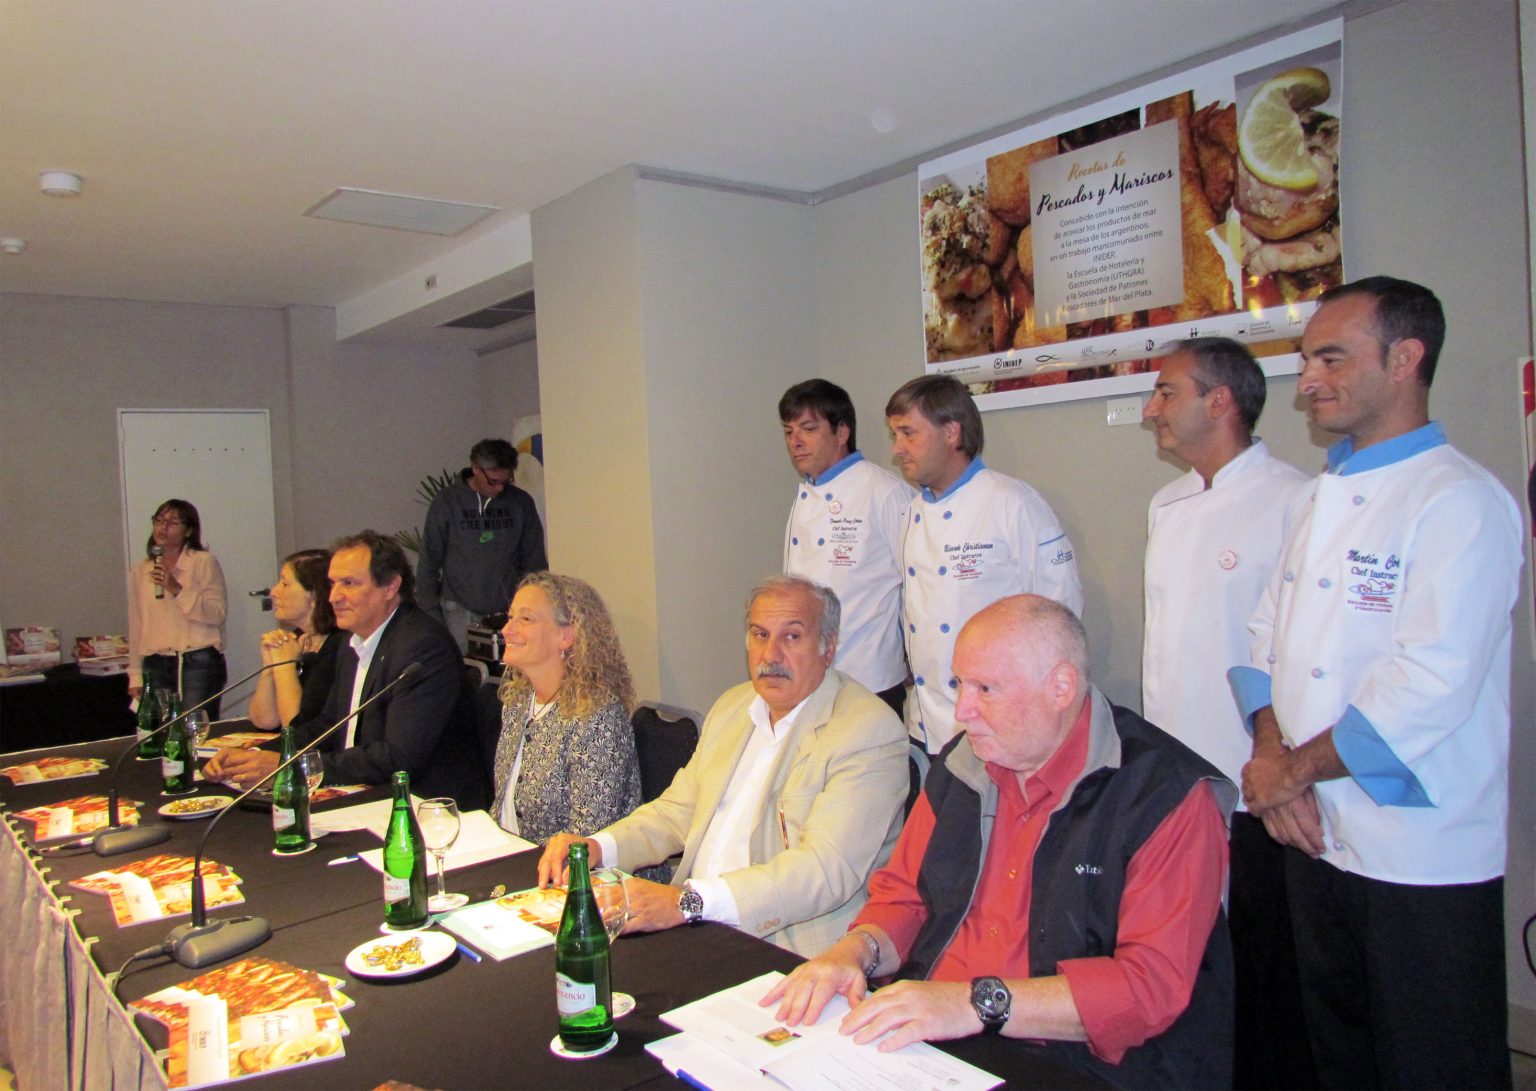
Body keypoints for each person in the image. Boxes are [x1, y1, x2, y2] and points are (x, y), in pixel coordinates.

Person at [1230, 277, 1521, 1090]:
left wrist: (1289, 772)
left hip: (1416, 850)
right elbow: (1264, 641)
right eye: (1305, 360)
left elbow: (1430, 683)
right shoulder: (1317, 497)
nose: (1307, 381)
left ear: (1405, 358)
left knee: (1434, 1064)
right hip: (1314, 832)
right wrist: (1271, 760)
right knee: (1339, 1056)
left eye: (1330, 358)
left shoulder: (1460, 500)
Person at [765, 596, 1234, 1090]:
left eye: (985, 689)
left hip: (1075, 1061)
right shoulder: (963, 764)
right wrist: (854, 952)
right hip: (936, 1038)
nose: (963, 711)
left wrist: (972, 1003)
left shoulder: (1165, 797)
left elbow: (1146, 990)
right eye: (958, 684)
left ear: (1061, 687)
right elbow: (905, 897)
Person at [537, 576, 908, 957]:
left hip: (785, 948)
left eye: (792, 636)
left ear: (828, 647)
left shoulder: (867, 731)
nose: (771, 655)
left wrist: (687, 902)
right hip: (695, 926)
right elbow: (677, 811)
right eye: (760, 635)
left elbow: (823, 871)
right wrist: (597, 847)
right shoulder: (733, 706)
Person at [1140, 338, 1312, 1088]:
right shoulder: (1166, 504)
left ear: (1221, 402)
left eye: (1166, 393)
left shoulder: (1294, 499)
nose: (1151, 410)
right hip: (1175, 777)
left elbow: (1294, 651)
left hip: (1253, 783)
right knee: (1186, 954)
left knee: (1263, 966)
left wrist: (1286, 769)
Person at [208, 530, 486, 808]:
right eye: (333, 583)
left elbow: (398, 758)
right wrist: (254, 755)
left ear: (391, 586)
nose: (333, 597)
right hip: (366, 789)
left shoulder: (422, 645)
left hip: (423, 803)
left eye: (349, 583)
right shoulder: (352, 640)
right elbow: (329, 725)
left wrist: (290, 767)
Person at [886, 374, 1082, 758]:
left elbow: (1063, 612)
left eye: (908, 433)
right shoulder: (911, 514)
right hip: (928, 721)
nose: (897, 449)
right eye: (895, 435)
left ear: (951, 432)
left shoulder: (1012, 502)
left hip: (1001, 722)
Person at [779, 379, 913, 716]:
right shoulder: (805, 496)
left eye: (808, 429)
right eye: (789, 431)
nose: (796, 441)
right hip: (810, 677)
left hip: (870, 679)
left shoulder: (885, 492)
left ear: (842, 432)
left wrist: (913, 658)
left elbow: (918, 585)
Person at [493, 571, 643, 843]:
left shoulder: (597, 718)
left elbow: (586, 840)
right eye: (510, 616)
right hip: (514, 856)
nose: (507, 630)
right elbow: (502, 811)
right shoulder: (518, 702)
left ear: (567, 636)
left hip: (575, 868)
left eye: (525, 619)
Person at [417, 438, 548, 654]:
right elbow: (429, 561)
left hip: (510, 610)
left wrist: (532, 608)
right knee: (463, 669)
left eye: (506, 481)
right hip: (458, 611)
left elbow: (534, 561)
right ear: (476, 468)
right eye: (493, 481)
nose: (499, 489)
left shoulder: (521, 503)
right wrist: (431, 615)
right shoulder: (447, 502)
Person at [126, 498, 229, 714]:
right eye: (159, 520)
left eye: (172, 522)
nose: (163, 527)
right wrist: (135, 674)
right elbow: (137, 624)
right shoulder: (142, 570)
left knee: (194, 728)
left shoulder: (203, 562)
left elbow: (217, 613)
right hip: (155, 662)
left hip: (197, 660)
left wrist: (177, 589)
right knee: (161, 729)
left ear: (189, 530)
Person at [247, 549, 343, 730]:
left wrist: (285, 666)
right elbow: (264, 721)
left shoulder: (340, 646)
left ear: (314, 594)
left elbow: (296, 728)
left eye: (285, 584)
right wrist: (269, 667)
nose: (274, 592)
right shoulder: (295, 637)